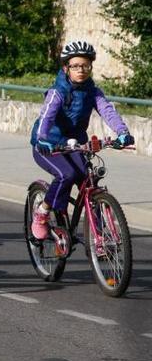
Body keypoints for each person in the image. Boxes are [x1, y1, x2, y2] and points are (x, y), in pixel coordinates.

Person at [29, 41, 134, 240]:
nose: (81, 70)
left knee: (88, 179)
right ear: (65, 68)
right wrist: (41, 139)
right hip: (48, 146)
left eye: (86, 66)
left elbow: (107, 111)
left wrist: (122, 132)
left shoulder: (92, 92)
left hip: (75, 144)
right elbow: (46, 117)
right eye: (76, 66)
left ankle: (99, 236)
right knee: (66, 174)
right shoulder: (57, 93)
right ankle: (42, 213)